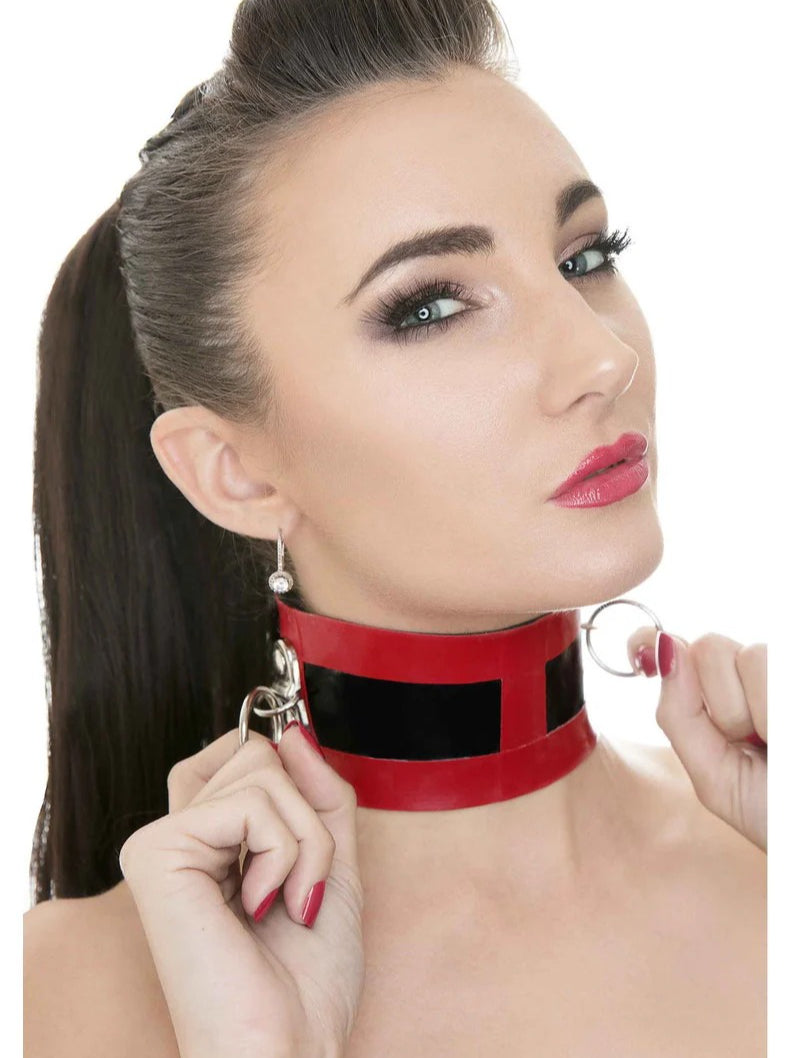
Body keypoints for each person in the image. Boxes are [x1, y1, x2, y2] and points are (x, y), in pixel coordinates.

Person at [23, 1, 766, 1055]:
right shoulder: (56, 998)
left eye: (584, 255)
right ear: (236, 473)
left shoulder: (765, 845)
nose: (603, 358)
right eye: (429, 307)